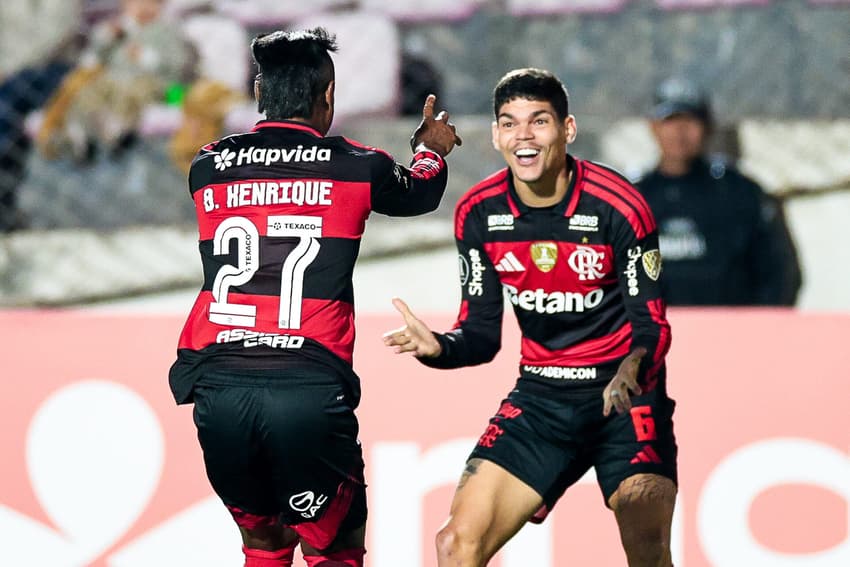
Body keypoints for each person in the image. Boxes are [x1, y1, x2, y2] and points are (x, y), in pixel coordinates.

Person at [168, 27, 461, 567]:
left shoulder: (207, 167)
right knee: (336, 548)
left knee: (264, 544)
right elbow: (420, 191)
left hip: (219, 389)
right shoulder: (356, 166)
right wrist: (429, 149)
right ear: (327, 96)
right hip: (305, 388)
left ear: (260, 95)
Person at [383, 68, 677, 567]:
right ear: (496, 135)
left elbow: (651, 325)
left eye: (539, 121)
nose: (524, 135)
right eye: (510, 122)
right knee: (455, 546)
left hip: (624, 397)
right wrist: (439, 347)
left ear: (568, 129)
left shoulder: (620, 206)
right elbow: (480, 335)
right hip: (542, 400)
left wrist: (630, 371)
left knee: (645, 535)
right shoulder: (479, 213)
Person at [635, 76, 802, 306]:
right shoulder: (632, 197)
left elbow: (781, 274)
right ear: (653, 127)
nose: (680, 132)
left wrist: (759, 329)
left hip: (729, 334)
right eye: (671, 121)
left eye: (690, 121)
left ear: (707, 128)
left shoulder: (740, 194)